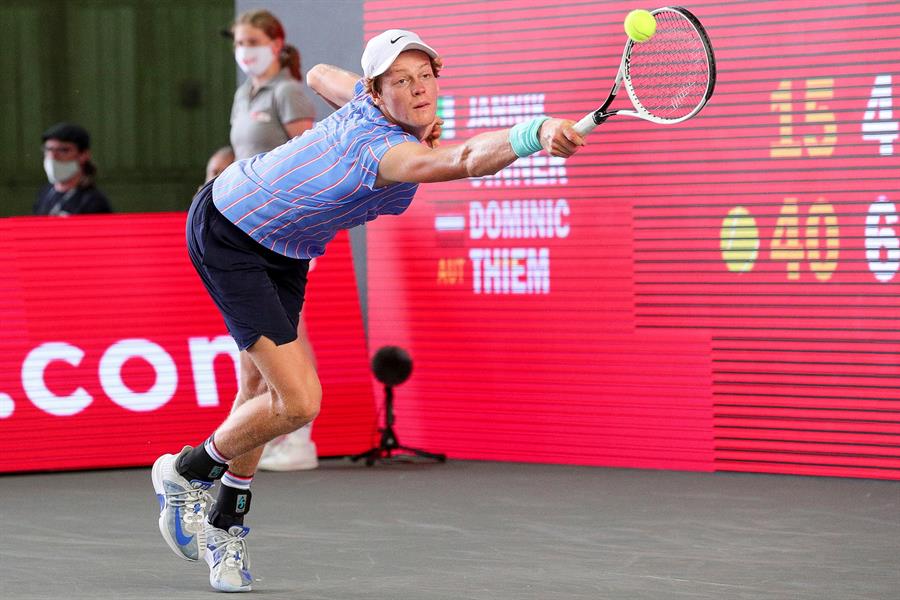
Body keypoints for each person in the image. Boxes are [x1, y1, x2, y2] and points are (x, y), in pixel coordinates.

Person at [151, 28, 583, 593]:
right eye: (401, 81)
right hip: (231, 230)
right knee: (299, 402)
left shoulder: (368, 99)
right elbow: (469, 157)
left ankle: (224, 524)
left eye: (425, 76)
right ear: (378, 95)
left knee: (258, 397)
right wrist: (536, 131)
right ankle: (185, 473)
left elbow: (317, 75)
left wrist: (386, 94)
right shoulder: (387, 151)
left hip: (285, 249)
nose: (419, 88)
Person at [229, 9, 320, 472]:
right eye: (238, 42)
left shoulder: (288, 91)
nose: (243, 50)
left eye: (251, 41)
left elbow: (305, 161)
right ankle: (266, 433)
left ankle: (300, 437)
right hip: (243, 230)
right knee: (263, 342)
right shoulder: (245, 94)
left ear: (275, 42)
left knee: (285, 332)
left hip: (283, 231)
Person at [34, 123, 112, 216]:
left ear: (83, 155)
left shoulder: (93, 201)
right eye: (49, 150)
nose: (53, 157)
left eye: (63, 150)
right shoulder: (46, 193)